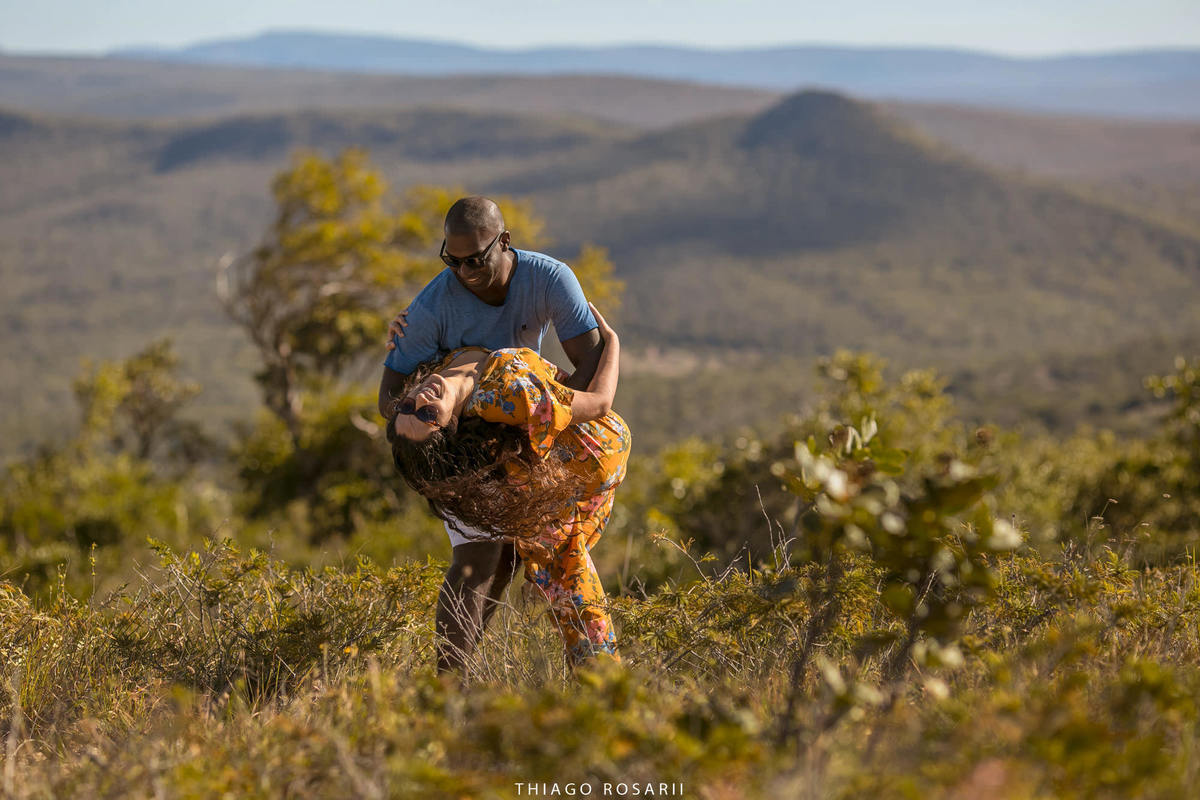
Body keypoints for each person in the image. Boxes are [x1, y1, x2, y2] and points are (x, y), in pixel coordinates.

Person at [378, 196, 607, 670]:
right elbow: (388, 399)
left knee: (523, 559)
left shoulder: (548, 280)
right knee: (481, 558)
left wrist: (543, 419)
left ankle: (591, 679)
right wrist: (440, 417)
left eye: (475, 260)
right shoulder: (430, 311)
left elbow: (591, 366)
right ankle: (449, 685)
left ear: (504, 242)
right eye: (452, 260)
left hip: (524, 434)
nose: (464, 272)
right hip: (464, 449)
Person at [386, 304, 628, 670]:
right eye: (428, 415)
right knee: (573, 594)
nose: (420, 400)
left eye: (408, 405)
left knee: (563, 577)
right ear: (450, 427)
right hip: (592, 454)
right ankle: (605, 687)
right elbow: (599, 403)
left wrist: (403, 335)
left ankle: (598, 680)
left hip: (570, 465)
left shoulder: (434, 374)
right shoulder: (505, 400)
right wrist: (612, 344)